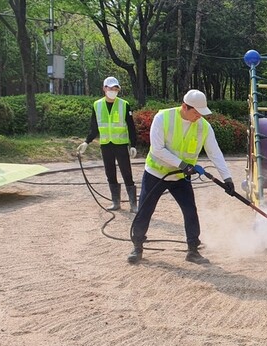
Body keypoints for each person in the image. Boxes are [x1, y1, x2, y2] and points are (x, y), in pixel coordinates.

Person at [128, 89, 235, 265]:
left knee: (190, 211)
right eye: (196, 112)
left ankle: (193, 251)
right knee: (145, 210)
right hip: (156, 174)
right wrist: (183, 165)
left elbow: (215, 153)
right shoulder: (163, 118)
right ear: (185, 107)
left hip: (180, 177)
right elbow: (157, 149)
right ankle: (137, 247)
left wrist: (227, 178)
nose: (199, 117)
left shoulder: (203, 127)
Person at [77, 76, 139, 213]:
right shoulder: (97, 105)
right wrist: (86, 142)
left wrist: (133, 145)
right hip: (106, 145)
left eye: (115, 88)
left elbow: (131, 127)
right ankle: (115, 202)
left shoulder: (124, 104)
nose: (113, 90)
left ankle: (133, 204)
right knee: (110, 173)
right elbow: (94, 128)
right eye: (110, 88)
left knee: (127, 173)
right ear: (104, 88)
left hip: (121, 144)